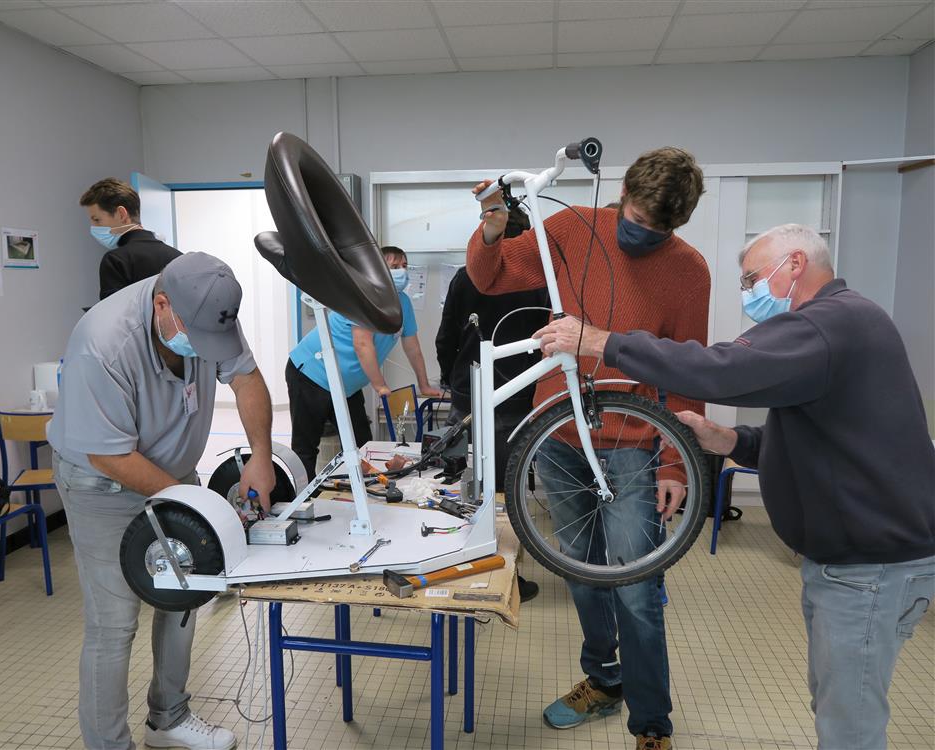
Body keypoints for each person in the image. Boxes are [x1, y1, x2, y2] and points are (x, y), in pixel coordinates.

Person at [533, 223, 935, 750]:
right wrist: (733, 441)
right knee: (838, 707)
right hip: (852, 562)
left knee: (850, 726)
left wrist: (602, 341)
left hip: (869, 569)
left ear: (794, 265)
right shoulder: (842, 326)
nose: (747, 291)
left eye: (752, 278)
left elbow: (720, 367)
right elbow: (822, 437)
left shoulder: (828, 323)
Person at [468, 147, 709, 750]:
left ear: (678, 224)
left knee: (637, 587)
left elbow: (688, 371)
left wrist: (678, 461)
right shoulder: (575, 227)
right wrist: (491, 228)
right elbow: (491, 275)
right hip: (556, 433)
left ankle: (652, 724)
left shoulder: (689, 270)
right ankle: (603, 680)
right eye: (635, 219)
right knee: (580, 574)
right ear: (621, 193)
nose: (642, 236)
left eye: (660, 231)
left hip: (633, 442)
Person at [48, 251, 276, 750]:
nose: (202, 350)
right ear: (162, 306)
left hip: (172, 473)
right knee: (114, 624)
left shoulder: (206, 310)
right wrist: (198, 504)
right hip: (101, 483)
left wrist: (260, 454)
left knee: (183, 597)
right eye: (196, 340)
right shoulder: (102, 344)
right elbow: (109, 457)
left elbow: (245, 378)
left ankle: (167, 720)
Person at [436, 204, 549, 603]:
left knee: (461, 486)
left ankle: (453, 563)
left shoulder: (466, 277)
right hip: (519, 396)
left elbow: (445, 336)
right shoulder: (541, 281)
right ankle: (505, 575)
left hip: (468, 394)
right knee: (507, 493)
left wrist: (453, 381)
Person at [286, 246, 441, 479]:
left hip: (345, 386)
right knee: (306, 448)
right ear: (378, 270)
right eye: (394, 267)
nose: (401, 272)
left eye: (404, 266)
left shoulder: (403, 303)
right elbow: (362, 344)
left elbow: (412, 346)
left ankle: (365, 494)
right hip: (312, 374)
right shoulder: (362, 297)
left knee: (361, 445)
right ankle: (300, 502)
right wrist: (379, 385)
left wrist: (424, 384)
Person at [80, 178, 181, 300]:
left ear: (121, 214)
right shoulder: (178, 257)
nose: (94, 227)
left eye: (97, 220)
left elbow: (113, 315)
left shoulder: (116, 260)